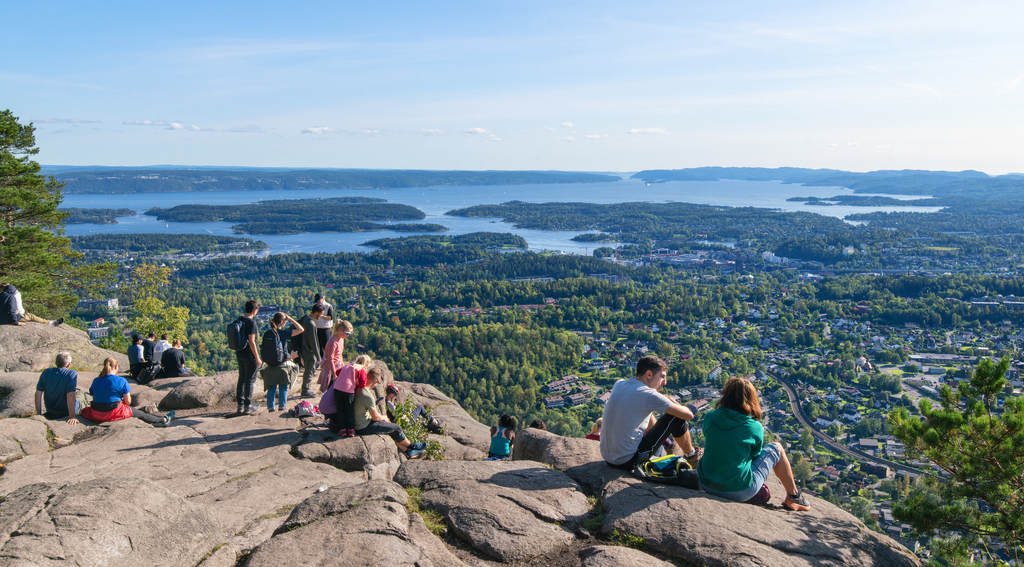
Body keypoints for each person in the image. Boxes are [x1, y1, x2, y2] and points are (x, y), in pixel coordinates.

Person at [697, 377, 811, 511]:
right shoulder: (754, 427)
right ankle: (794, 497)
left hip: (705, 483)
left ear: (725, 395)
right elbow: (754, 456)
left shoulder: (710, 417)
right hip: (738, 492)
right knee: (776, 448)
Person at [599, 356, 702, 471]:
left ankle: (670, 446)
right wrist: (674, 403)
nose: (665, 382)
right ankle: (692, 457)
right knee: (676, 418)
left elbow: (652, 425)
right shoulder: (649, 395)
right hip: (627, 460)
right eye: (662, 377)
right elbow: (689, 415)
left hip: (608, 457)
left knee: (650, 413)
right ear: (649, 374)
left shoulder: (619, 384)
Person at [352, 365, 425, 459]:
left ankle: (408, 452)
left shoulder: (359, 388)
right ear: (376, 381)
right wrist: (384, 417)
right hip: (363, 426)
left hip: (358, 423)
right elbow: (376, 418)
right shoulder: (367, 395)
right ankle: (412, 445)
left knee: (390, 429)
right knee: (396, 428)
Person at [80, 358, 173, 426]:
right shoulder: (121, 380)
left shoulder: (96, 380)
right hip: (113, 412)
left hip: (96, 413)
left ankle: (163, 419)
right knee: (141, 414)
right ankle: (164, 419)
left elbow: (93, 395)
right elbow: (127, 401)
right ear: (116, 367)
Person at [260, 312, 304, 412]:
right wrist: (290, 318)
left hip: (270, 364)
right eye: (285, 321)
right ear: (282, 322)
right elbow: (301, 330)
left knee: (272, 387)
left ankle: (271, 408)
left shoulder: (268, 333)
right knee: (283, 386)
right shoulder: (284, 333)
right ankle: (281, 407)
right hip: (282, 363)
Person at [329, 354, 371, 437]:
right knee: (349, 410)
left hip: (337, 389)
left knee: (340, 409)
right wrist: (356, 383)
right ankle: (351, 429)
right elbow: (362, 383)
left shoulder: (348, 365)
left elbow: (337, 372)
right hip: (348, 390)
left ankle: (342, 430)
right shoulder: (360, 369)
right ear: (366, 364)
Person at [35, 352, 81, 424]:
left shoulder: (46, 372)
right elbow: (70, 394)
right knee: (81, 394)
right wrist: (72, 417)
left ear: (56, 362)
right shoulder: (71, 373)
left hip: (50, 410)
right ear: (69, 364)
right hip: (66, 411)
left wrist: (38, 414)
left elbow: (38, 392)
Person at [235, 300, 262, 415]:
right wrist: (257, 357)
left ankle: (240, 405)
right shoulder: (251, 323)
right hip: (249, 355)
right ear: (255, 311)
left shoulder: (238, 320)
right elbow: (252, 341)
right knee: (250, 380)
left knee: (241, 379)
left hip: (240, 353)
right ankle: (248, 405)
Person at [316, 319, 353, 393]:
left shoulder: (341, 339)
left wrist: (342, 367)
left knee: (337, 389)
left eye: (349, 334)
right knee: (330, 390)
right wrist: (334, 374)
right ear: (340, 330)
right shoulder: (333, 342)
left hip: (338, 366)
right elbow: (330, 359)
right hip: (330, 368)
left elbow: (340, 355)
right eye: (346, 333)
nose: (347, 336)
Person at [297, 304, 324, 398]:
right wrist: (318, 356)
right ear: (316, 313)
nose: (320, 317)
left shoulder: (305, 318)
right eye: (320, 314)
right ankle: (305, 391)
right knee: (309, 371)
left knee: (309, 370)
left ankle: (305, 389)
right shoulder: (311, 324)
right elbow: (314, 342)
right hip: (309, 351)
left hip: (303, 349)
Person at [312, 293, 334, 358]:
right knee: (318, 344)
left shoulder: (328, 306)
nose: (318, 302)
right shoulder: (315, 306)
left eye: (319, 301)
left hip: (325, 327)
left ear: (323, 299)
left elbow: (330, 317)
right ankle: (320, 359)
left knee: (326, 344)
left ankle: (328, 358)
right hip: (317, 327)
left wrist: (320, 315)